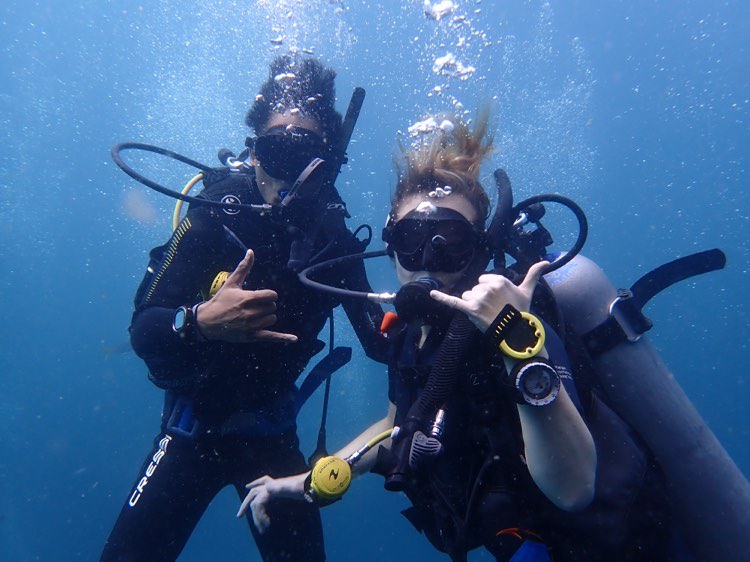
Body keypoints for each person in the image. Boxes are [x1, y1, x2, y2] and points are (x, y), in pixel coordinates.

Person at [238, 110, 686, 561]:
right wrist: (315, 477)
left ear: (479, 253)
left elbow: (572, 491)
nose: (428, 260)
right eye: (413, 238)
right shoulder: (414, 335)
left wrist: (519, 349)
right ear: (391, 247)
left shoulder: (518, 331)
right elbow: (396, 423)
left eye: (451, 242)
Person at [101, 55, 386, 562]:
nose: (292, 177)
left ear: (330, 161)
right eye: (278, 151)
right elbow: (144, 327)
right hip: (191, 432)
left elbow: (383, 344)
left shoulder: (333, 240)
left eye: (308, 157)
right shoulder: (213, 216)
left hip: (271, 439)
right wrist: (198, 322)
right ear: (254, 153)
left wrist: (440, 290)